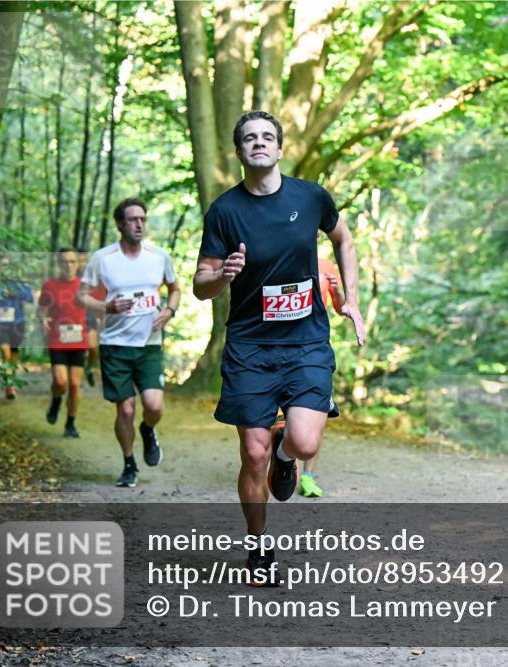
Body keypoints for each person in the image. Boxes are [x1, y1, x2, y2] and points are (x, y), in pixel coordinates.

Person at [193, 110, 364, 582]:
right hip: (250, 347)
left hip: (306, 341)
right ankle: (259, 549)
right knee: (252, 454)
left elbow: (343, 240)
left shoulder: (311, 197)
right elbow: (199, 283)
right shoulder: (226, 211)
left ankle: (286, 459)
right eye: (249, 137)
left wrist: (351, 298)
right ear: (240, 151)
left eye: (268, 136)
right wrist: (221, 276)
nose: (259, 143)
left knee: (304, 440)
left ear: (280, 148)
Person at [76, 198, 181, 488]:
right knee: (125, 409)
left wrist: (169, 311)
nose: (139, 225)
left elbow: (175, 289)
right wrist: (106, 307)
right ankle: (129, 463)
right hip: (115, 345)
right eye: (133, 220)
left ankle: (148, 430)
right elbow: (81, 295)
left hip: (149, 344)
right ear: (120, 224)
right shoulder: (103, 258)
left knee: (154, 406)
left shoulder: (158, 256)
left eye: (143, 219)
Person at [295, 257, 346, 498]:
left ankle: (308, 476)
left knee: (316, 413)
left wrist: (337, 291)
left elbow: (340, 307)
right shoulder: (278, 255)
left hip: (314, 346)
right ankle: (286, 469)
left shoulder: (325, 264)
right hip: (280, 344)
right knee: (286, 415)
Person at [38, 248, 88, 437]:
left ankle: (70, 424)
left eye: (72, 261)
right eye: (65, 262)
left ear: (78, 263)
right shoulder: (49, 285)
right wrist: (43, 320)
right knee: (60, 382)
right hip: (57, 340)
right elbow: (41, 309)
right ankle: (56, 399)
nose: (69, 265)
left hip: (78, 340)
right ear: (59, 264)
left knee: (75, 384)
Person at [0, 255, 33, 399]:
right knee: (5, 353)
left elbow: (29, 298)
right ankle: (9, 387)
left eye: (7, 265)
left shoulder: (20, 283)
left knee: (13, 355)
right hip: (1, 324)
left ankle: (11, 380)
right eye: (2, 265)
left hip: (18, 324)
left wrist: (14, 293)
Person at [77, 251, 104, 387]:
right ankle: (77, 377)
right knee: (77, 349)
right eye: (79, 260)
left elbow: (99, 298)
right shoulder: (71, 278)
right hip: (73, 319)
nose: (82, 264)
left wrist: (99, 316)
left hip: (90, 318)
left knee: (93, 348)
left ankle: (88, 368)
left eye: (84, 260)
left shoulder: (93, 278)